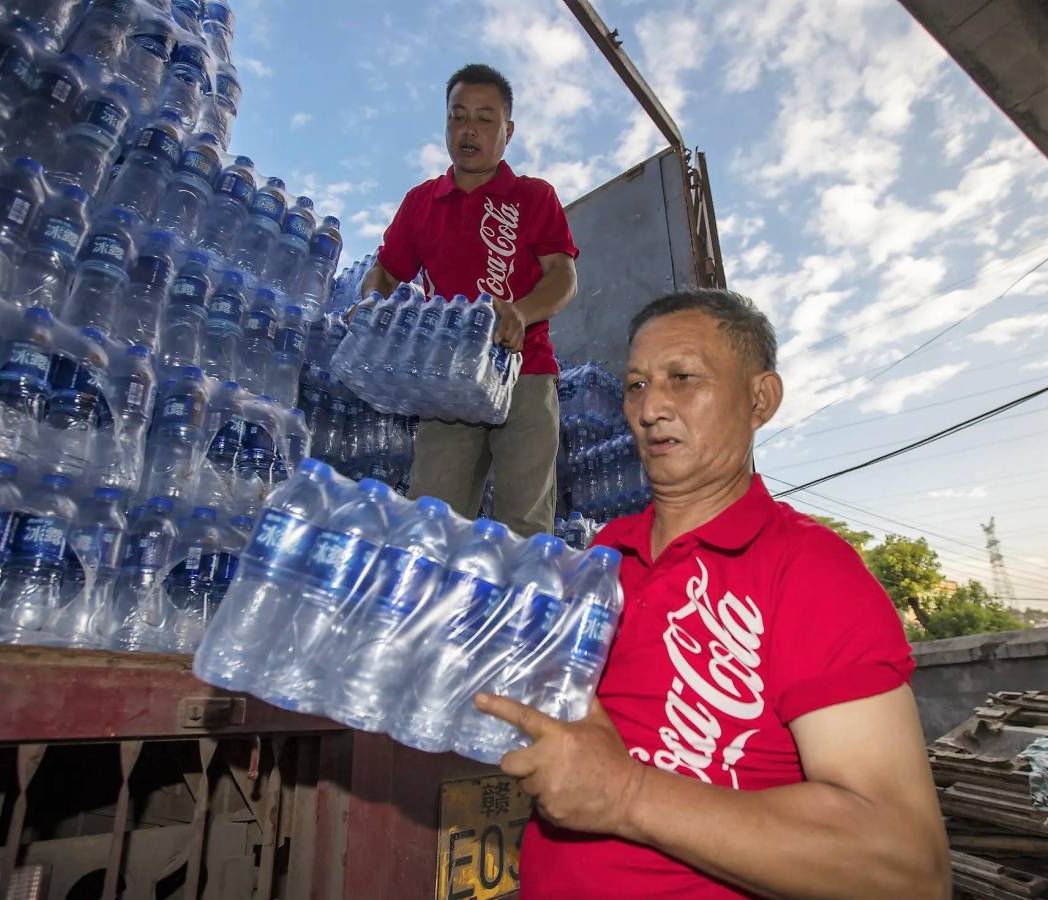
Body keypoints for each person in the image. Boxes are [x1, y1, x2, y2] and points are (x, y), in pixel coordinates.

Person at [475, 289, 951, 898]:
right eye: (637, 385)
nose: (651, 409)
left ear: (760, 399)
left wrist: (625, 793)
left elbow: (908, 868)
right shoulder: (593, 565)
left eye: (683, 378)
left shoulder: (810, 571)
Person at [357, 63, 578, 538]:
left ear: (508, 131)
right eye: (458, 117)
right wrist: (372, 307)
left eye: (484, 118)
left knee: (524, 527)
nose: (469, 130)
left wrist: (522, 311)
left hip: (526, 371)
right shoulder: (421, 202)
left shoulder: (534, 197)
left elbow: (563, 275)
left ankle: (517, 611)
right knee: (431, 521)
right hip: (447, 379)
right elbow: (387, 272)